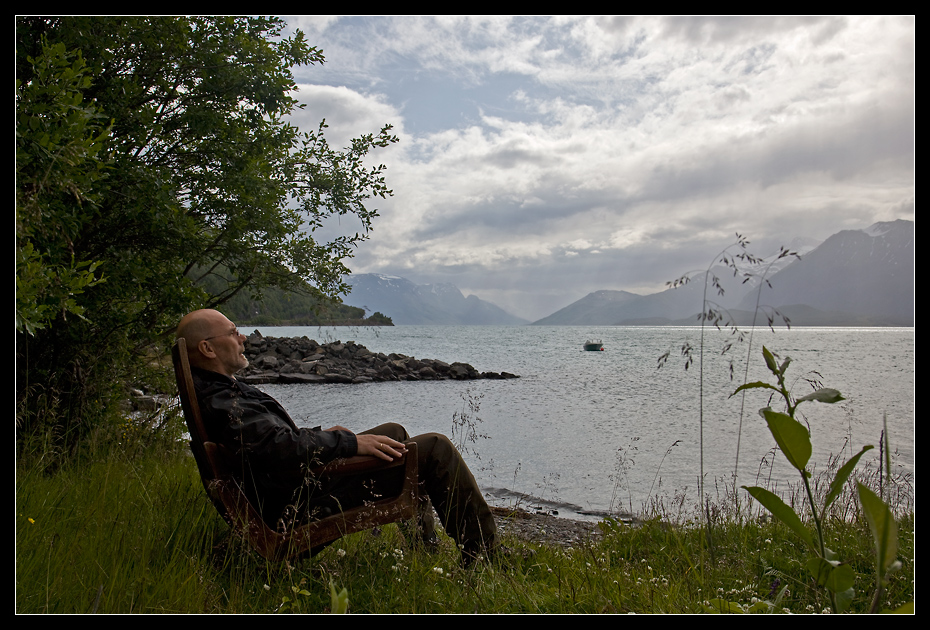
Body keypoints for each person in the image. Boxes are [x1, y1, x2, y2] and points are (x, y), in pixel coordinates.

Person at [176, 308, 499, 564]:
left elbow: (265, 439)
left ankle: (424, 545)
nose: (243, 337)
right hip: (299, 504)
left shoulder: (220, 390)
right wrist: (348, 444)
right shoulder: (223, 400)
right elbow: (272, 446)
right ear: (207, 347)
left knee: (393, 433)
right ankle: (484, 553)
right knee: (434, 448)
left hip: (293, 485)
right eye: (233, 333)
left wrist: (320, 436)